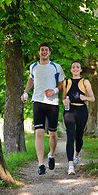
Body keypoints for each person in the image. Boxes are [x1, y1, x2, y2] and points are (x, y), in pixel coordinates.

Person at [21, 42, 65, 175]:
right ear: (39, 52)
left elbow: (63, 84)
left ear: (49, 52)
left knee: (52, 133)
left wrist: (55, 91)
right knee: (39, 133)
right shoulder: (33, 66)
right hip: (37, 101)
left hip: (52, 103)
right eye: (42, 50)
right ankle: (41, 164)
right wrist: (25, 92)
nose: (44, 52)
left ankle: (51, 155)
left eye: (46, 50)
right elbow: (31, 79)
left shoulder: (56, 67)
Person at [62, 60, 95, 175]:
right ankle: (70, 166)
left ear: (81, 70)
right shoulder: (66, 82)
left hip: (82, 110)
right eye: (73, 67)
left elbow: (92, 98)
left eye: (77, 67)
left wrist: (85, 98)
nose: (75, 69)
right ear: (71, 70)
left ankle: (76, 154)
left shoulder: (85, 82)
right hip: (69, 111)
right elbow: (63, 98)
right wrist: (65, 102)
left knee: (79, 136)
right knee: (70, 136)